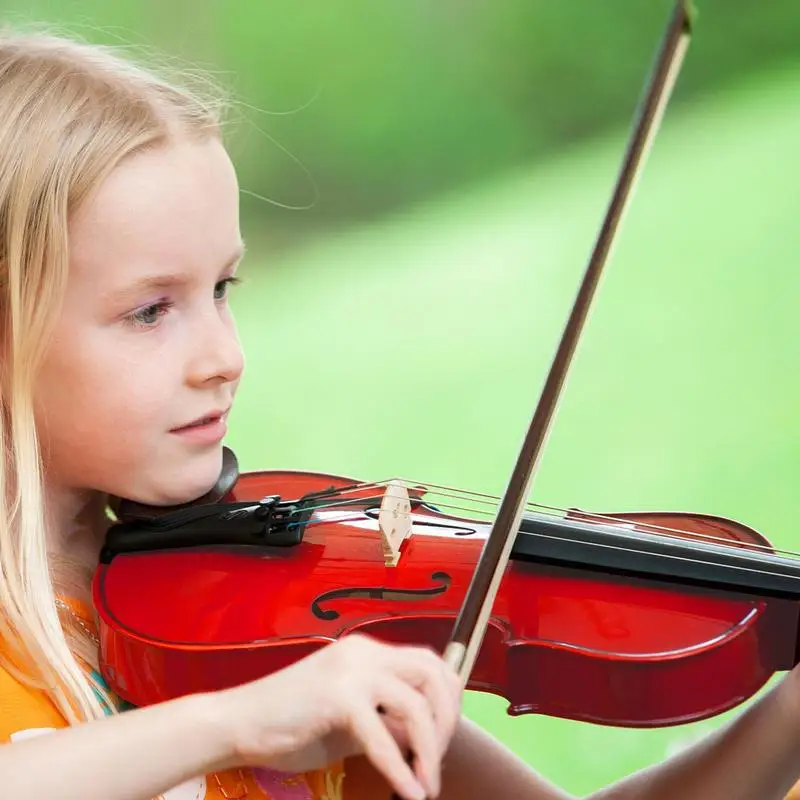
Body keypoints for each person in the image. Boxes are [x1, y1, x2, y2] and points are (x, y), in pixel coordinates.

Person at [1, 24, 800, 800]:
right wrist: (238, 723)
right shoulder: (238, 688)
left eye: (222, 290)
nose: (225, 356)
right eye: (150, 311)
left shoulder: (264, 623)